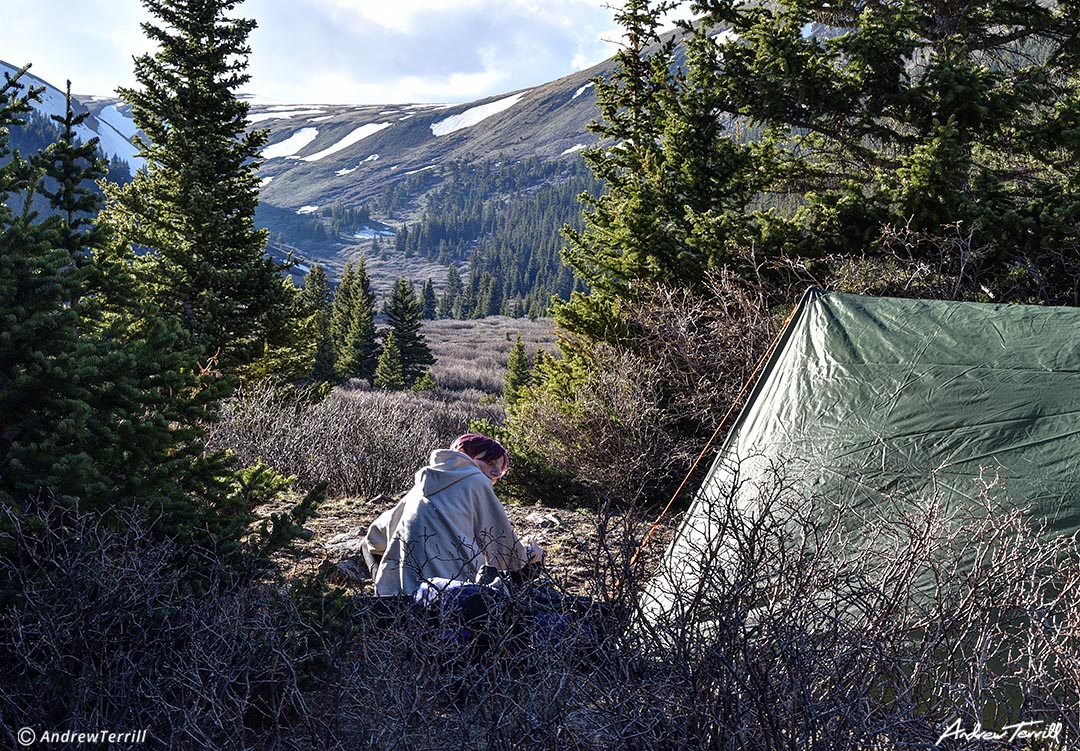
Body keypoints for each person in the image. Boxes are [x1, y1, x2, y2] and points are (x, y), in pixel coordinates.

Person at [361, 433, 543, 597]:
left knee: (364, 546)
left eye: (501, 469)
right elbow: (507, 553)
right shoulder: (477, 481)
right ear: (462, 453)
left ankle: (386, 592)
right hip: (454, 594)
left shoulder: (419, 488)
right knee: (532, 562)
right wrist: (532, 554)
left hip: (401, 597)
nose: (496, 472)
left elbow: (374, 538)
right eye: (489, 462)